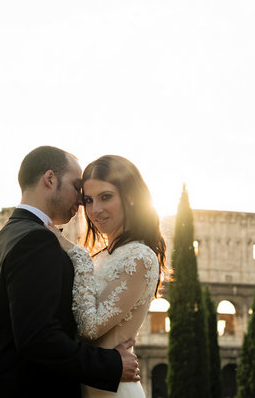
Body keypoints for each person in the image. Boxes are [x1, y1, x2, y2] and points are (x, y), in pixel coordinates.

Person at [0, 146, 140, 398]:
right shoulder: (36, 240)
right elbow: (39, 338)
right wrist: (111, 364)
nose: (81, 199)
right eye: (76, 186)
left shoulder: (9, 234)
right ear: (50, 179)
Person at [47, 155, 167, 398]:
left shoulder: (140, 257)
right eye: (88, 200)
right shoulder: (102, 256)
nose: (95, 210)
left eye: (106, 197)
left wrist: (77, 255)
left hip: (113, 389)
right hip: (91, 380)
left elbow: (91, 328)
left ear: (131, 197)